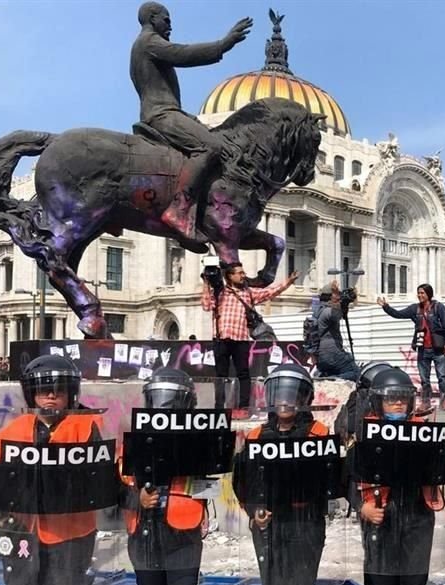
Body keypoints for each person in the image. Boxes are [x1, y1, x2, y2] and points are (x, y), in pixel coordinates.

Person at [0, 354, 112, 585]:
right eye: (44, 390)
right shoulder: (11, 432)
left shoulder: (89, 426)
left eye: (59, 389)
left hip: (70, 535)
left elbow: (108, 474)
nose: (52, 396)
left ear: (71, 394)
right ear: (33, 394)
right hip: (21, 534)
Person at [130, 1, 253, 236]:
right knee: (211, 146)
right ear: (152, 18)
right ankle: (180, 208)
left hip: (170, 112)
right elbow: (183, 54)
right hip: (162, 114)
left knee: (216, 140)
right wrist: (223, 44)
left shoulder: (145, 44)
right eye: (166, 20)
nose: (170, 25)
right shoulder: (148, 42)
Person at [235, 363, 333, 585]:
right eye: (280, 394)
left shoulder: (320, 434)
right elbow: (242, 482)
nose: (285, 401)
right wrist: (255, 512)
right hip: (269, 528)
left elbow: (331, 481)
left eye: (292, 394)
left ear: (305, 399)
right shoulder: (256, 436)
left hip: (306, 526)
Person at [353, 367, 445, 585]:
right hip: (380, 517)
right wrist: (362, 507)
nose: (396, 404)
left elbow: (441, 471)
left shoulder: (424, 432)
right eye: (390, 398)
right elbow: (348, 477)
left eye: (402, 399)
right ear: (378, 402)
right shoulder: (365, 434)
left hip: (417, 518)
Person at [121, 367, 205, 585]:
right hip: (143, 535)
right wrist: (138, 499)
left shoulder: (199, 441)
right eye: (157, 399)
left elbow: (212, 483)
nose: (163, 408)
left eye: (170, 400)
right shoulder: (132, 441)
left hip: (183, 537)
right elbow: (114, 489)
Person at [200, 260, 298, 411]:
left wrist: (288, 282)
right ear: (230, 276)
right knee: (221, 375)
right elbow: (206, 306)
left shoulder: (248, 292)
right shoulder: (220, 292)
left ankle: (243, 407)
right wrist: (206, 283)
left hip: (240, 338)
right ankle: (219, 408)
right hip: (221, 338)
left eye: (243, 272)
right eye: (239, 273)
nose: (243, 276)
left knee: (243, 374)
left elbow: (270, 292)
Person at [377, 284, 445, 405]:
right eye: (418, 293)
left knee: (442, 377)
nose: (420, 295)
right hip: (423, 348)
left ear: (429, 294)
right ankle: (426, 403)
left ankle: (444, 402)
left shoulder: (438, 307)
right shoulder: (415, 309)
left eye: (422, 293)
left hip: (437, 348)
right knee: (424, 380)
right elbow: (398, 314)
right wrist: (385, 307)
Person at [312, 282, 359, 381]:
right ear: (331, 296)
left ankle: (326, 379)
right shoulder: (328, 311)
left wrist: (344, 304)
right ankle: (330, 380)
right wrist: (338, 300)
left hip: (321, 356)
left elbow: (339, 313)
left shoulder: (318, 312)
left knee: (334, 370)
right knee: (355, 373)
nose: (340, 297)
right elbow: (336, 314)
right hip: (333, 353)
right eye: (337, 294)